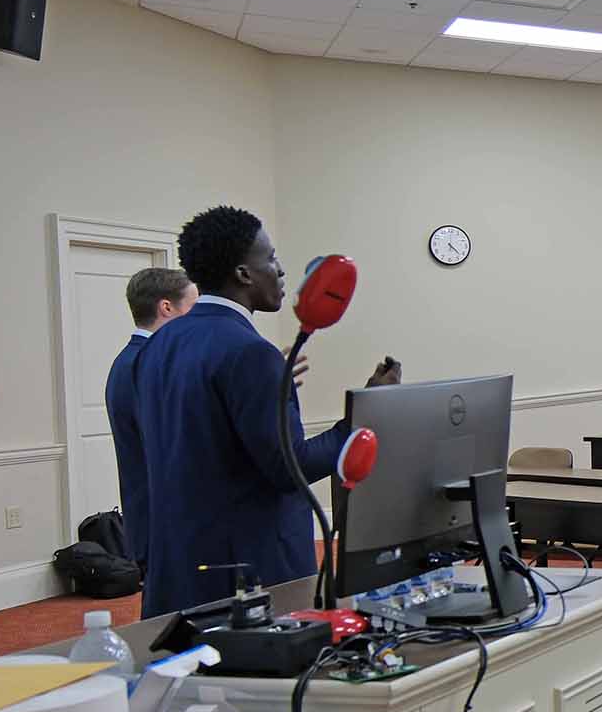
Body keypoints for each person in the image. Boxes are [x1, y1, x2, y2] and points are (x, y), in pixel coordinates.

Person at [134, 206, 401, 617]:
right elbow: (288, 468)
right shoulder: (251, 353)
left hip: (182, 563)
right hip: (249, 569)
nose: (280, 271)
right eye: (271, 259)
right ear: (243, 274)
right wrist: (366, 410)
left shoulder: (157, 345)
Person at [106, 267, 197, 570]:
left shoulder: (132, 361)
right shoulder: (146, 365)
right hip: (165, 525)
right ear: (167, 307)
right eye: (193, 307)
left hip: (159, 523)